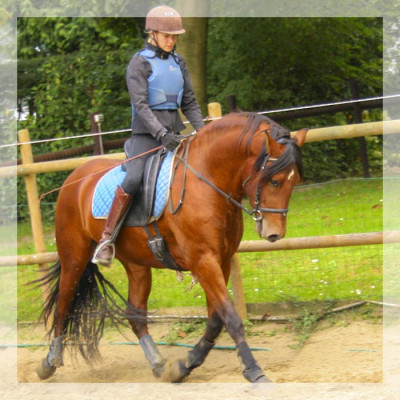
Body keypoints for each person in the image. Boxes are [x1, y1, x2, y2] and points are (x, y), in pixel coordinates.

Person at [92, 5, 204, 267]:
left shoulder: (179, 63)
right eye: (167, 35)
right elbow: (141, 106)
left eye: (175, 36)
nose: (171, 40)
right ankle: (107, 239)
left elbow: (189, 102)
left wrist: (204, 132)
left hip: (174, 136)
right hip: (147, 137)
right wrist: (161, 134)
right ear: (152, 33)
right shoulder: (139, 63)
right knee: (132, 179)